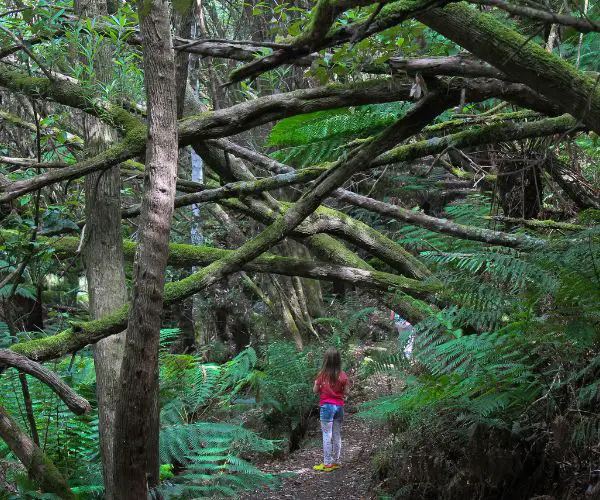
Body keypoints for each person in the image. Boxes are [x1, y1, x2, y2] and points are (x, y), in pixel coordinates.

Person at [312, 347, 349, 472]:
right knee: (337, 434)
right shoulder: (343, 375)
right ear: (338, 360)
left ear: (326, 360)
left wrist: (321, 386)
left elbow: (315, 390)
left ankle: (327, 463)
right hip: (339, 407)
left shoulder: (322, 375)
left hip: (327, 406)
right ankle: (337, 461)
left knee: (327, 434)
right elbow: (346, 391)